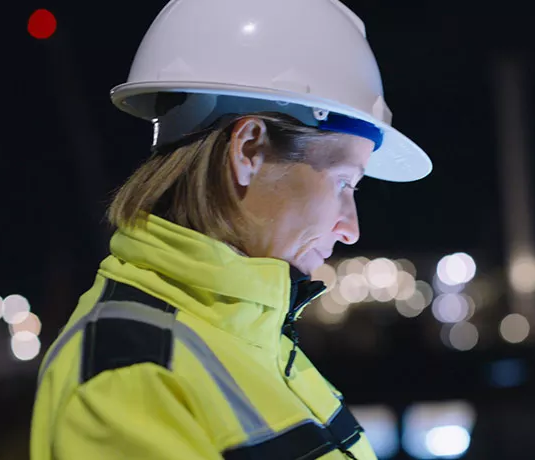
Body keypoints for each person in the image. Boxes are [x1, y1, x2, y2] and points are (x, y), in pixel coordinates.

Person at [29, 0, 431, 459]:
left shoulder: (251, 341)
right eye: (343, 183)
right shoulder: (131, 374)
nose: (350, 229)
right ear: (249, 149)